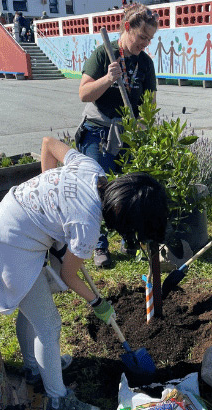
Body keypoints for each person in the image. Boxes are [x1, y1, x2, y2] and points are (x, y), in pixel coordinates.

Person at [0, 137, 169, 410]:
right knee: (49, 323)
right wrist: (97, 301)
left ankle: (33, 367)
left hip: (8, 224)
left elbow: (49, 144)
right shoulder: (87, 224)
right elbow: (68, 275)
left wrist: (49, 205)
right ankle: (57, 399)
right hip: (8, 249)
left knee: (33, 309)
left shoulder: (91, 169)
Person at [76, 2, 158, 267]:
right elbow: (84, 94)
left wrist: (144, 132)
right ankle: (100, 246)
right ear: (127, 28)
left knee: (128, 189)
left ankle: (128, 238)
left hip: (129, 134)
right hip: (98, 131)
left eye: (150, 39)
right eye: (142, 36)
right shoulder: (104, 54)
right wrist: (108, 79)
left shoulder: (145, 64)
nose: (145, 43)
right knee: (99, 188)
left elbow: (150, 104)